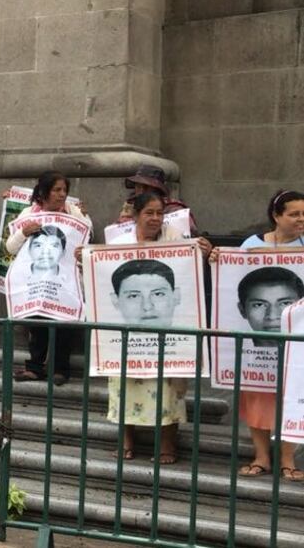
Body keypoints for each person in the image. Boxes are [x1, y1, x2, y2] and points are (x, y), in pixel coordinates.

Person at [103, 192, 212, 463]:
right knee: (125, 385)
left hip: (166, 335)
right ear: (135, 215)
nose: (155, 218)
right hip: (130, 336)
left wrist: (205, 253)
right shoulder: (118, 243)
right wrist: (86, 260)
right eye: (149, 213)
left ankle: (167, 446)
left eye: (159, 213)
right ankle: (127, 440)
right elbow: (102, 276)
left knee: (167, 387)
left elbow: (188, 274)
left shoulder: (175, 238)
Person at [216, 189, 304, 481]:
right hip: (256, 354)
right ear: (276, 216)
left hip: (294, 344)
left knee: (291, 395)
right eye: (294, 214)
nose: (301, 220)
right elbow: (231, 275)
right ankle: (262, 456)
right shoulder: (251, 245)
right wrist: (217, 258)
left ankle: (288, 460)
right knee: (256, 397)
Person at [6, 171, 90, 385]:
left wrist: (83, 253)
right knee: (37, 323)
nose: (62, 195)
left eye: (64, 190)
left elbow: (86, 243)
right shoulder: (28, 214)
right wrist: (24, 233)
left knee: (64, 324)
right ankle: (35, 367)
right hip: (36, 282)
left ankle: (60, 369)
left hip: (65, 282)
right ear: (43, 192)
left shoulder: (76, 215)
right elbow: (10, 248)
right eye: (57, 190)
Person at [116, 164, 198, 235]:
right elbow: (115, 236)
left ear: (157, 189)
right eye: (138, 186)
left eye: (145, 187)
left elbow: (190, 234)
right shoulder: (130, 207)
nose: (141, 191)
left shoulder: (174, 208)